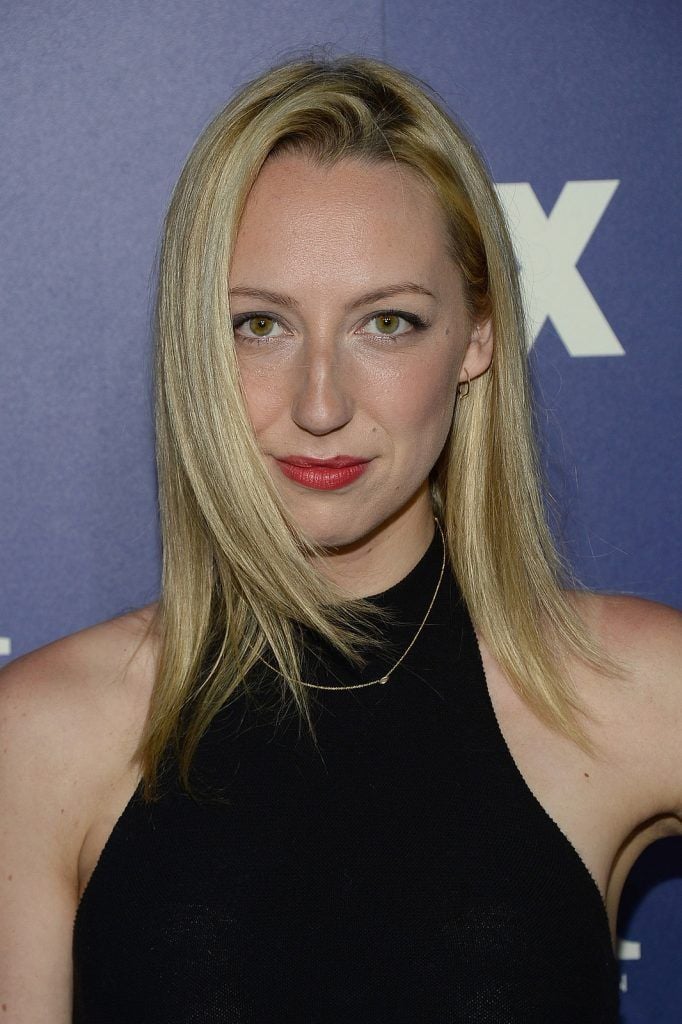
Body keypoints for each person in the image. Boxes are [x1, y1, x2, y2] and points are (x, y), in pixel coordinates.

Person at [1, 53, 680, 1023]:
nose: (320, 403)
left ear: (478, 336)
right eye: (260, 326)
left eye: (389, 322)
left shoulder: (637, 689)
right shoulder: (40, 736)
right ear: (194, 340)